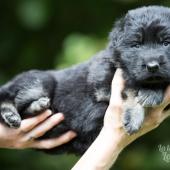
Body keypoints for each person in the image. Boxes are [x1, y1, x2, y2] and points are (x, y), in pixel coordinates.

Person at [0, 69, 170, 170]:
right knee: (35, 85)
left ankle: (14, 107)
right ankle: (7, 104)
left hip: (67, 131)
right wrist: (114, 137)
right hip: (60, 113)